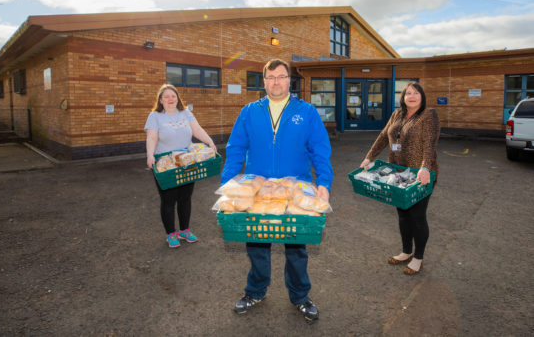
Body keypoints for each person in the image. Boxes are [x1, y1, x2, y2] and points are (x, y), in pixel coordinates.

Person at [221, 58, 333, 322]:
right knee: (257, 245)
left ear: (289, 80)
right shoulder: (249, 111)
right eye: (270, 78)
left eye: (281, 76)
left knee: (296, 249)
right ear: (264, 82)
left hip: (296, 191)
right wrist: (228, 184)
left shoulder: (306, 112)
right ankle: (255, 291)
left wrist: (324, 184)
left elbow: (320, 151)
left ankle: (300, 296)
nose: (276, 82)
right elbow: (235, 149)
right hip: (258, 191)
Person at [359, 82, 440, 275]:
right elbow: (382, 136)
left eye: (416, 93)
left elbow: (430, 143)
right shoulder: (398, 114)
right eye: (408, 93)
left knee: (417, 217)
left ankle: (418, 257)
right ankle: (406, 252)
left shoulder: (429, 115)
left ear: (422, 96)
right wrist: (369, 156)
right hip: (397, 174)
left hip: (420, 175)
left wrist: (425, 167)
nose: (412, 96)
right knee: (403, 215)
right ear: (403, 97)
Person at [145, 84, 217, 248]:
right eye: (166, 97)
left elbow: (196, 129)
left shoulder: (185, 113)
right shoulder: (155, 116)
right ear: (161, 100)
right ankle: (171, 233)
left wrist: (209, 141)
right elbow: (152, 137)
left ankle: (184, 230)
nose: (170, 99)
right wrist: (150, 155)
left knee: (185, 198)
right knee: (168, 199)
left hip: (187, 161)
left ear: (177, 98)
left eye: (173, 96)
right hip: (166, 163)